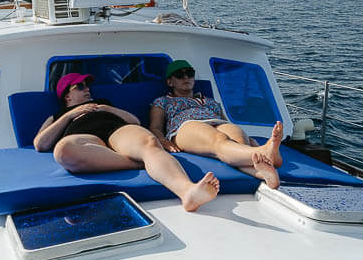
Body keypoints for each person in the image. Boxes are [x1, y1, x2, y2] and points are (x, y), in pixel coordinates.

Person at [34, 72, 220, 211]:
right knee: (63, 150)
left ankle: (187, 191)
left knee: (149, 142)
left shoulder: (103, 102)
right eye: (80, 87)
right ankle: (144, 162)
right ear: (67, 96)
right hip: (85, 138)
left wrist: (108, 109)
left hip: (116, 130)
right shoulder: (57, 116)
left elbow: (135, 121)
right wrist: (69, 116)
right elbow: (40, 144)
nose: (87, 89)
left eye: (87, 85)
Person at [149, 59, 286, 188]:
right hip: (185, 125)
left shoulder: (210, 102)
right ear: (170, 82)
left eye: (189, 74)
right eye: (179, 75)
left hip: (217, 122)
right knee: (220, 139)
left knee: (238, 141)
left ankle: (263, 174)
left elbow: (224, 120)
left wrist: (248, 139)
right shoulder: (163, 101)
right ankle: (265, 152)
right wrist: (162, 140)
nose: (186, 78)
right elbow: (155, 126)